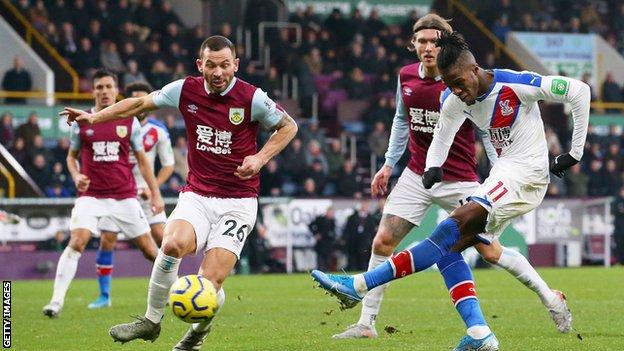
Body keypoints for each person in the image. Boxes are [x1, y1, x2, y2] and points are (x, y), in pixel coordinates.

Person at [312, 30, 590, 350]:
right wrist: (433, 165)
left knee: (449, 230)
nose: (456, 91)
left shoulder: (516, 84)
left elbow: (579, 91)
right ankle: (482, 333)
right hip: (503, 174)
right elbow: (443, 134)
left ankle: (359, 285)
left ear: (474, 70)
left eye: (459, 82)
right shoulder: (454, 97)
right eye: (448, 84)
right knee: (449, 250)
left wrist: (574, 153)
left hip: (527, 176)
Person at [61, 35, 298, 350]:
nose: (218, 73)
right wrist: (95, 117)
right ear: (200, 65)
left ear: (235, 65)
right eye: (211, 65)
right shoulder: (184, 89)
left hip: (238, 203)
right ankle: (150, 321)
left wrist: (259, 158)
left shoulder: (252, 98)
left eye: (225, 65)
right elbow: (139, 103)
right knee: (171, 244)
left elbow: (288, 126)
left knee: (209, 282)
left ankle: (195, 337)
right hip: (197, 194)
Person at [43, 68, 164, 318]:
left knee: (151, 252)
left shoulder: (129, 121)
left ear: (116, 90)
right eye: (99, 87)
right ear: (93, 90)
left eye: (109, 86)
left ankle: (179, 293)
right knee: (77, 241)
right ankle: (55, 302)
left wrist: (155, 194)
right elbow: (71, 158)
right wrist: (77, 176)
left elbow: (143, 162)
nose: (104, 91)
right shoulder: (82, 122)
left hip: (124, 197)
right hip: (92, 197)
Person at [87, 82, 175, 309]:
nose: (139, 104)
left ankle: (173, 290)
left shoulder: (158, 131)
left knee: (163, 240)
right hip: (118, 192)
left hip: (146, 193)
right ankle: (104, 296)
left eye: (143, 99)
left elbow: (167, 166)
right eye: (134, 99)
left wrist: (153, 188)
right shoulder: (115, 121)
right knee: (107, 239)